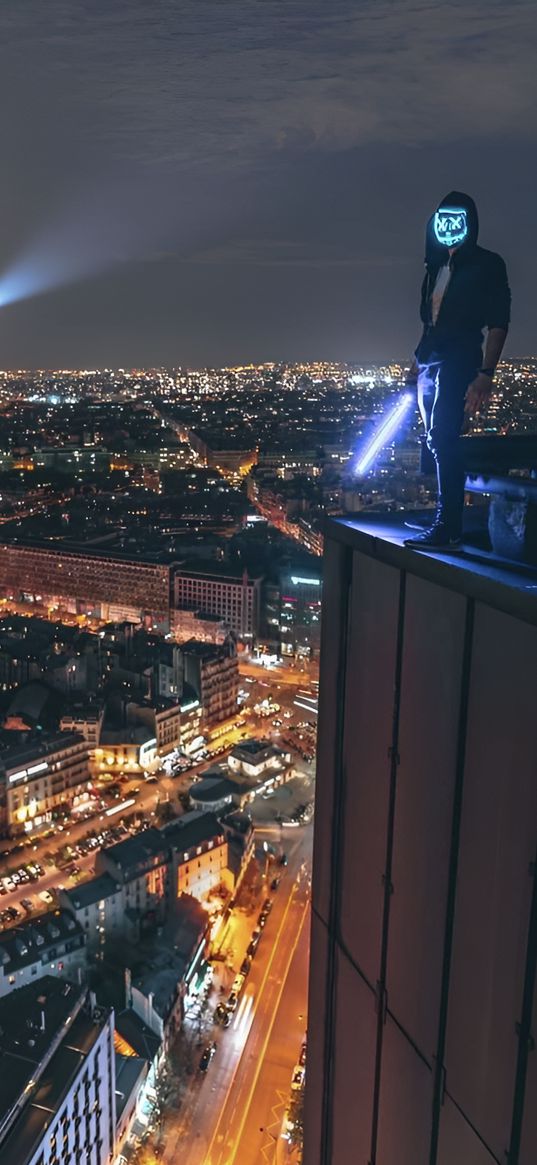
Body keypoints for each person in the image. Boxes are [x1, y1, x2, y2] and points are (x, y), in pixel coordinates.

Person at [404, 191, 511, 551]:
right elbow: (431, 321)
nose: (447, 228)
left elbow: (498, 322)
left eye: (454, 221)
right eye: (442, 221)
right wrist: (418, 361)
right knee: (437, 440)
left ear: (468, 224)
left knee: (444, 438)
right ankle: (444, 518)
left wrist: (485, 374)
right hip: (431, 362)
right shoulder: (434, 266)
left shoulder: (488, 265)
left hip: (459, 359)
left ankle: (448, 528)